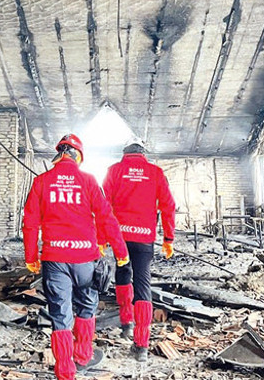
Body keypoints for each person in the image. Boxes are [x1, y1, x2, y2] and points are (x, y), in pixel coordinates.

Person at [23, 134, 130, 380]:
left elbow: (30, 222)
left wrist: (31, 256)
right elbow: (106, 217)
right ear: (78, 156)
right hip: (86, 259)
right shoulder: (88, 180)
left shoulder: (42, 181)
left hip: (55, 259)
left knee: (60, 315)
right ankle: (82, 356)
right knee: (86, 307)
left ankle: (65, 372)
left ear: (58, 154)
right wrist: (120, 251)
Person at [101, 138, 176, 362]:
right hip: (144, 238)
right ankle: (141, 346)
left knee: (123, 274)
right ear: (143, 152)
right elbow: (168, 205)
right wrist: (168, 238)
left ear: (124, 152)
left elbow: (104, 204)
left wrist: (103, 236)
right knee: (142, 283)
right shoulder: (155, 172)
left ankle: (126, 324)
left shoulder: (114, 170)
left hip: (120, 237)